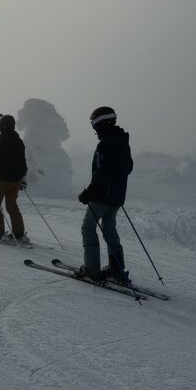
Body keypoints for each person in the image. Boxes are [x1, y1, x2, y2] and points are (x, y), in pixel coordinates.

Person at [76, 106, 134, 284]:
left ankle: (92, 269)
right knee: (109, 229)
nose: (94, 130)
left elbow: (103, 173)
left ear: (99, 124)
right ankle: (117, 270)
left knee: (88, 227)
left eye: (94, 126)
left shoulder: (105, 144)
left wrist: (89, 192)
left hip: (102, 196)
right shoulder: (122, 141)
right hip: (116, 196)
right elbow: (128, 168)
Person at [0, 114, 28, 241]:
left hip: (2, 181)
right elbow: (23, 161)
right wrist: (23, 177)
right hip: (16, 181)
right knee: (12, 205)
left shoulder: (0, 142)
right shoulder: (19, 141)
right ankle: (19, 233)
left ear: (2, 127)